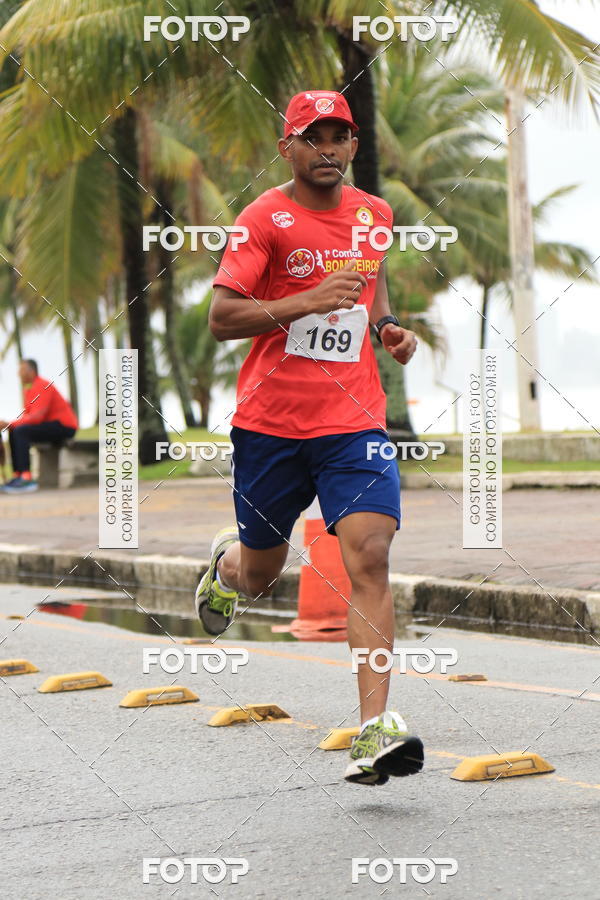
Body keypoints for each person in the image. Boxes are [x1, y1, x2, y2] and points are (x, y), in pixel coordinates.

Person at [195, 90, 423, 786]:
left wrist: (386, 328)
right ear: (287, 147)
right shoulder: (262, 219)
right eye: (312, 137)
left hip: (353, 420)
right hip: (270, 426)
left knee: (371, 556)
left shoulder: (374, 214)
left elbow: (371, 289)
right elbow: (222, 318)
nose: (327, 149)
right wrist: (306, 302)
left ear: (353, 145)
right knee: (261, 576)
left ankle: (374, 731)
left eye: (339, 136)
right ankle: (226, 567)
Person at [0, 359, 78, 494]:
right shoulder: (28, 390)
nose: (19, 373)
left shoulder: (42, 385)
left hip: (64, 426)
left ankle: (26, 478)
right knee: (14, 430)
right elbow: (27, 417)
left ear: (31, 371)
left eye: (22, 370)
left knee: (20, 431)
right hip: (50, 425)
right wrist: (10, 425)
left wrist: (10, 423)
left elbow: (37, 417)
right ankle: (18, 475)